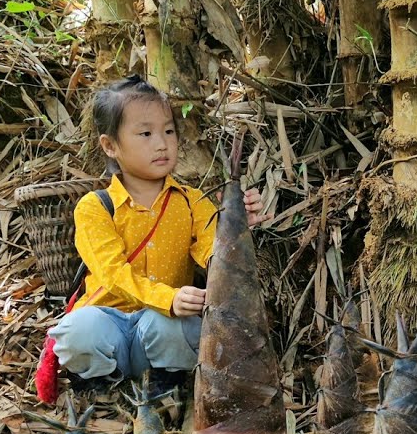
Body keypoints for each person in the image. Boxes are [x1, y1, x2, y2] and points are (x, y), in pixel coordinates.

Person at [49, 75, 266, 399]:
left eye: (168, 131)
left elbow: (214, 253)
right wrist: (169, 299)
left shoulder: (192, 201)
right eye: (146, 133)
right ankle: (102, 387)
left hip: (163, 337)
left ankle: (165, 389)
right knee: (80, 329)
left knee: (173, 324)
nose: (162, 143)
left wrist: (236, 227)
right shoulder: (95, 207)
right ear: (110, 146)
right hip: (111, 331)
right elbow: (113, 274)